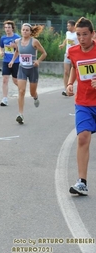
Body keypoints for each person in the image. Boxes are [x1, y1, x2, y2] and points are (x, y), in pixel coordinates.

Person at [66, 17, 96, 196]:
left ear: (92, 34)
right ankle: (82, 182)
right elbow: (74, 68)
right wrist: (70, 83)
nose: (82, 38)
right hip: (83, 102)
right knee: (83, 138)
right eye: (78, 35)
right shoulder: (73, 51)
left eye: (85, 34)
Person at [9, 23, 47, 124]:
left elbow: (44, 53)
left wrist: (38, 61)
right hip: (22, 68)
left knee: (32, 92)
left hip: (32, 69)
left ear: (30, 32)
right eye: (23, 30)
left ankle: (35, 97)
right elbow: (17, 51)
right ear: (21, 31)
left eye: (27, 30)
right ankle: (20, 114)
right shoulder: (18, 41)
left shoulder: (34, 42)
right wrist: (12, 61)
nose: (25, 31)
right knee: (21, 91)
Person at [0, 20, 20, 106]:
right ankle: (5, 99)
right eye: (6, 27)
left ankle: (21, 90)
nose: (7, 29)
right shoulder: (3, 38)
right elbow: (1, 46)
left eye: (9, 27)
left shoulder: (17, 37)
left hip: (16, 61)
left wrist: (14, 46)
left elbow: (21, 48)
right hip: (6, 61)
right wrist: (1, 52)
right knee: (5, 80)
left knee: (15, 80)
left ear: (12, 28)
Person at [59, 20, 78, 96]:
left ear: (73, 26)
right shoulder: (67, 33)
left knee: (76, 72)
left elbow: (79, 43)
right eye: (67, 25)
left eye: (69, 26)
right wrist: (63, 45)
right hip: (67, 54)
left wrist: (74, 44)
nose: (67, 27)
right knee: (66, 72)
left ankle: (78, 87)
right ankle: (66, 89)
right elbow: (66, 39)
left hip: (75, 54)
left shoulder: (77, 34)